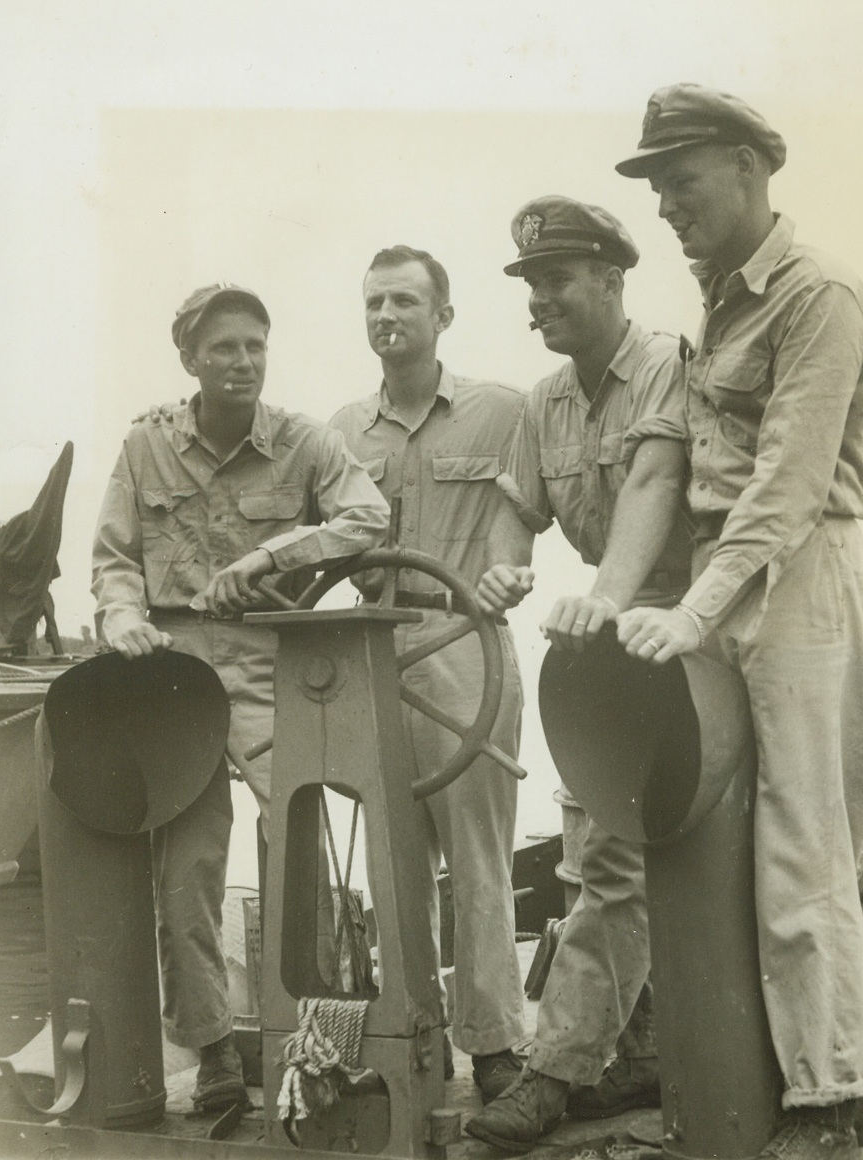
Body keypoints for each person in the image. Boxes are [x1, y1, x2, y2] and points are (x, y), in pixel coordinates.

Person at [614, 85, 863, 1160]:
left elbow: (786, 484)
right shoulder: (713, 306)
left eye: (679, 181)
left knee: (801, 839)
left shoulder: (817, 294)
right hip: (725, 583)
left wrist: (688, 609)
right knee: (727, 841)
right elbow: (667, 459)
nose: (665, 207)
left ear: (744, 166)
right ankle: (751, 1078)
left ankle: (830, 1101)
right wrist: (628, 594)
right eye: (656, 188)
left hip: (798, 573)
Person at [92, 283, 390, 1112]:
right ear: (189, 359)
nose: (243, 361)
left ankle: (326, 1046)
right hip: (175, 674)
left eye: (255, 344)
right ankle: (217, 1052)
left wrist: (271, 557)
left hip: (270, 663)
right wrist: (120, 615)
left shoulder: (304, 440)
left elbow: (369, 517)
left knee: (306, 849)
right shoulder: (144, 445)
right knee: (186, 874)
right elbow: (114, 557)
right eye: (224, 347)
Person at [465, 196, 691, 1151]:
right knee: (601, 852)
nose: (537, 301)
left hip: (696, 631)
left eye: (555, 281)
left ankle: (576, 1064)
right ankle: (602, 1060)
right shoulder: (542, 402)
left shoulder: (670, 366)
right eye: (529, 285)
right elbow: (521, 506)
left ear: (611, 277)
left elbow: (653, 484)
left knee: (663, 857)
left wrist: (603, 598)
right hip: (612, 646)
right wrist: (508, 564)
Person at [326, 246, 527, 1103]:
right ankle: (414, 1039)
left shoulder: (506, 412)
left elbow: (528, 518)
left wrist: (509, 570)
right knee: (392, 866)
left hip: (463, 648)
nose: (386, 316)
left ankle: (495, 1050)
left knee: (480, 861)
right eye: (373, 302)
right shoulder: (335, 433)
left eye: (404, 300)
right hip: (375, 652)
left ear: (444, 315)